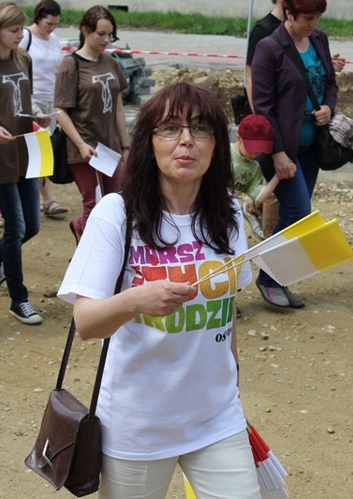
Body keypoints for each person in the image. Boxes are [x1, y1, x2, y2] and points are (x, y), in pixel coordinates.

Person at [57, 82, 260, 498]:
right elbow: (86, 322)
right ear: (148, 142)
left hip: (216, 416)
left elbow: (228, 311)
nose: (186, 140)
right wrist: (137, 299)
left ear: (217, 145)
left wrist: (233, 383)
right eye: (170, 128)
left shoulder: (229, 213)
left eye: (201, 129)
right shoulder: (117, 214)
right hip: (137, 425)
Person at [250, 0, 337, 309]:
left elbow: (330, 82)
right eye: (307, 18)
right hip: (282, 148)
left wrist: (329, 107)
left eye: (317, 18)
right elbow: (263, 106)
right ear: (288, 14)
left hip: (313, 145)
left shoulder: (319, 40)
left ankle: (279, 278)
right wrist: (276, 153)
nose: (313, 24)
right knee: (299, 210)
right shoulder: (268, 48)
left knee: (296, 215)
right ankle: (270, 279)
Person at [0, 1, 45, 325]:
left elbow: (23, 102)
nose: (21, 35)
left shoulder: (23, 59)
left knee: (33, 225)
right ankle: (19, 298)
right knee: (14, 227)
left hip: (27, 149)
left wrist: (38, 114)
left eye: (21, 29)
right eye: (14, 30)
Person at [54, 5, 128, 242]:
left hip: (111, 148)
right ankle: (90, 251)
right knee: (93, 204)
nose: (106, 40)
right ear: (85, 30)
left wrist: (125, 144)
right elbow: (60, 110)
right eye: (101, 34)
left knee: (116, 202)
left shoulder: (110, 61)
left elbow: (117, 104)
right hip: (85, 148)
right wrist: (81, 144)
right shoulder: (71, 64)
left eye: (110, 35)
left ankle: (86, 233)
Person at [21, 0, 68, 219]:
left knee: (45, 148)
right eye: (49, 23)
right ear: (38, 18)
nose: (52, 28)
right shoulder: (25, 37)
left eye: (56, 24)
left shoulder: (55, 39)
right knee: (39, 149)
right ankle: (47, 197)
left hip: (51, 100)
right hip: (31, 99)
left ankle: (39, 196)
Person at [232, 113, 275, 240]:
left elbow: (260, 196)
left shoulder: (254, 167)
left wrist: (278, 176)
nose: (256, 153)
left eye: (261, 149)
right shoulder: (223, 152)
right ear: (239, 139)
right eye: (252, 148)